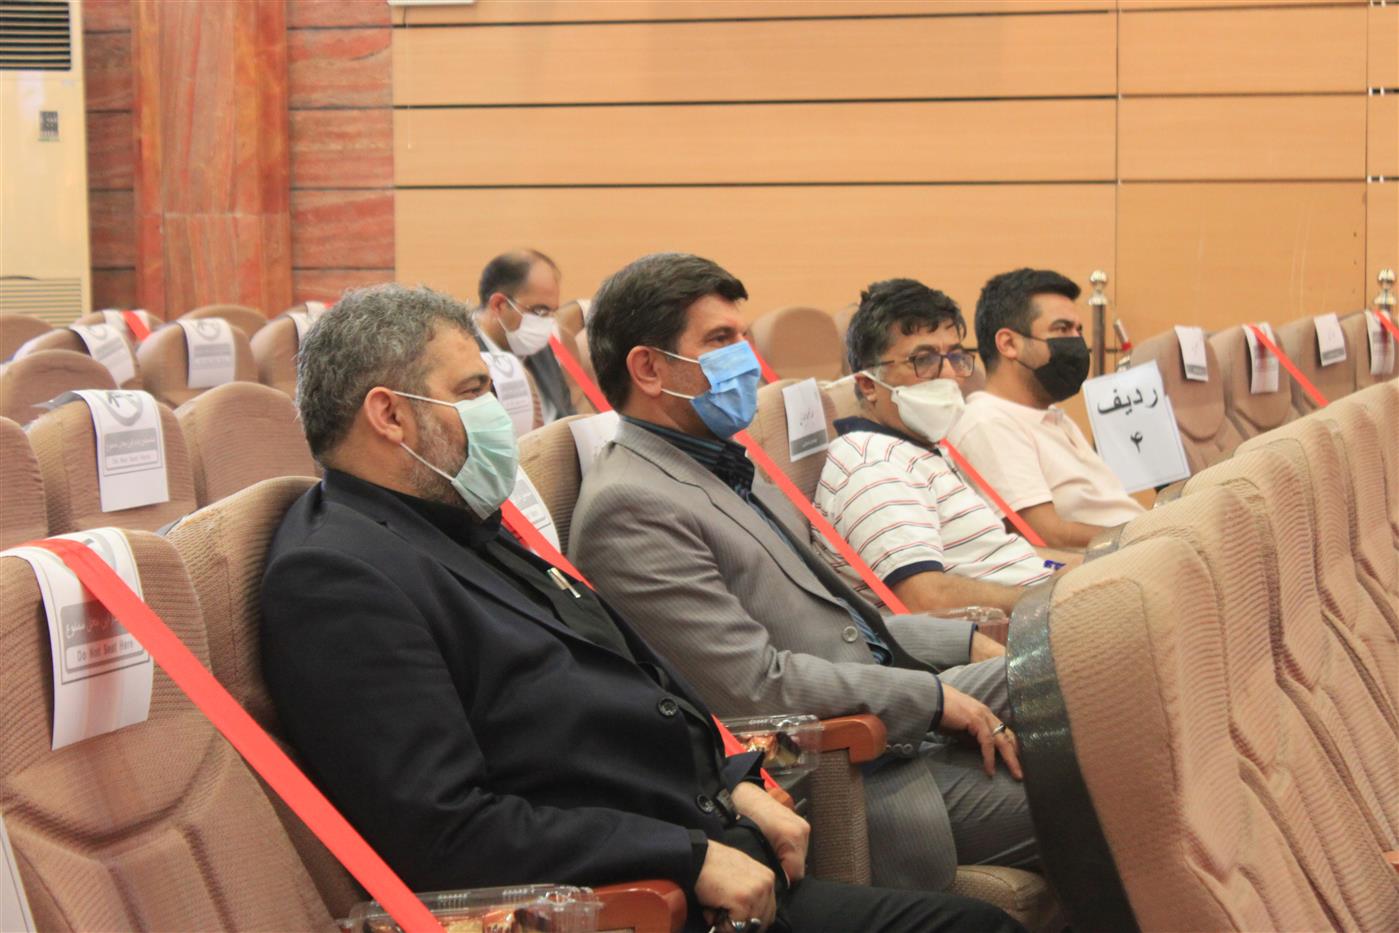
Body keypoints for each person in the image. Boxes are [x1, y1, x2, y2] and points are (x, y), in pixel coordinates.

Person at [260, 284, 1021, 933]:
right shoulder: (337, 576)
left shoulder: (453, 518)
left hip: (711, 845)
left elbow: (626, 669)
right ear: (390, 416)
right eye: (471, 392)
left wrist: (734, 779)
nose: (496, 414)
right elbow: (445, 831)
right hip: (633, 901)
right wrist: (683, 857)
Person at [570, 254, 1037, 894]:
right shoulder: (629, 505)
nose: (745, 358)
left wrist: (963, 643)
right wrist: (930, 700)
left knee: (1076, 655)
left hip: (894, 710)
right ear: (649, 369)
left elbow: (839, 616)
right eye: (720, 339)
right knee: (1108, 789)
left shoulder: (726, 461)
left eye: (743, 335)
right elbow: (754, 689)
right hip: (846, 766)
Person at [816, 279, 1057, 616]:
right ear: (868, 385)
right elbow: (925, 599)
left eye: (954, 356)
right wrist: (1058, 599)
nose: (948, 373)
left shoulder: (920, 448)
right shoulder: (872, 464)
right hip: (1022, 628)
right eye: (923, 359)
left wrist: (1083, 572)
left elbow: (1003, 558)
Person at [946, 268, 1144, 548]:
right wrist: (1148, 533)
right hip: (1114, 562)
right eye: (1062, 329)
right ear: (1008, 344)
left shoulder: (1052, 417)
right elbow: (1047, 535)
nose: (1076, 342)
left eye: (1078, 330)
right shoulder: (988, 422)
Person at [475, 249, 576, 423]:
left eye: (552, 312)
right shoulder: (463, 358)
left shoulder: (538, 344)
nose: (547, 322)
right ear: (498, 305)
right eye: (540, 311)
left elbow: (566, 414)